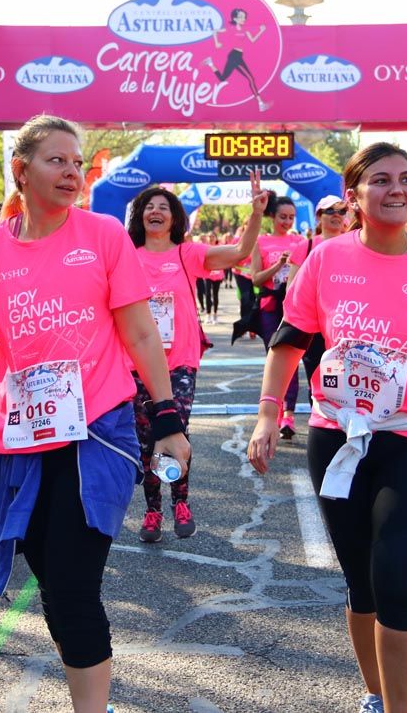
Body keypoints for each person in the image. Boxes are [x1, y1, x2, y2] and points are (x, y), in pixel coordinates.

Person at [0, 114, 190, 713]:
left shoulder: (103, 235)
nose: (72, 172)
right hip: (19, 435)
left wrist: (167, 419)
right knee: (50, 575)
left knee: (76, 585)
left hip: (97, 432)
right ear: (21, 172)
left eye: (78, 162)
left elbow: (139, 331)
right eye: (57, 161)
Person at [248, 143, 407, 713]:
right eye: (381, 180)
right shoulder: (327, 259)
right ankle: (375, 695)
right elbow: (290, 341)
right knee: (362, 583)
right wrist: (268, 413)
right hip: (338, 436)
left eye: (406, 179)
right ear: (354, 195)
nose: (397, 190)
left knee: (397, 581)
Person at [126, 177, 264, 543]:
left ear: (175, 218)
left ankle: (181, 502)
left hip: (181, 361)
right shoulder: (126, 256)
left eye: (163, 207)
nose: (156, 211)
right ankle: (153, 510)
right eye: (149, 207)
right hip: (136, 362)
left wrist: (256, 214)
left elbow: (239, 252)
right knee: (145, 439)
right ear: (140, 215)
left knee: (174, 431)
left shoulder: (188, 255)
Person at [250, 194, 304, 438]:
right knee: (276, 360)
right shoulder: (261, 242)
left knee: (292, 360)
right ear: (273, 216)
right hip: (270, 306)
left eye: (291, 217)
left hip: (294, 306)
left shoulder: (301, 241)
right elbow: (255, 278)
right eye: (283, 217)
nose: (287, 221)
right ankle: (277, 411)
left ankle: (289, 416)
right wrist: (278, 265)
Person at [288, 194, 349, 405]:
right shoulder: (305, 247)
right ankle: (322, 421)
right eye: (330, 211)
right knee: (318, 377)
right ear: (319, 217)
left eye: (341, 211)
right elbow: (292, 288)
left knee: (344, 381)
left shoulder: (355, 244)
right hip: (314, 329)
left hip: (347, 326)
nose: (336, 215)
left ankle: (341, 426)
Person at [202, 8, 270, 112]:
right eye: (241, 17)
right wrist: (216, 43)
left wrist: (261, 31)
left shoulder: (245, 30)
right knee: (251, 79)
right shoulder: (230, 28)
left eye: (244, 17)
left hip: (238, 56)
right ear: (235, 18)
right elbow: (215, 31)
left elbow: (252, 40)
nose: (243, 19)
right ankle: (261, 103)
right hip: (234, 56)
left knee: (222, 79)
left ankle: (210, 63)